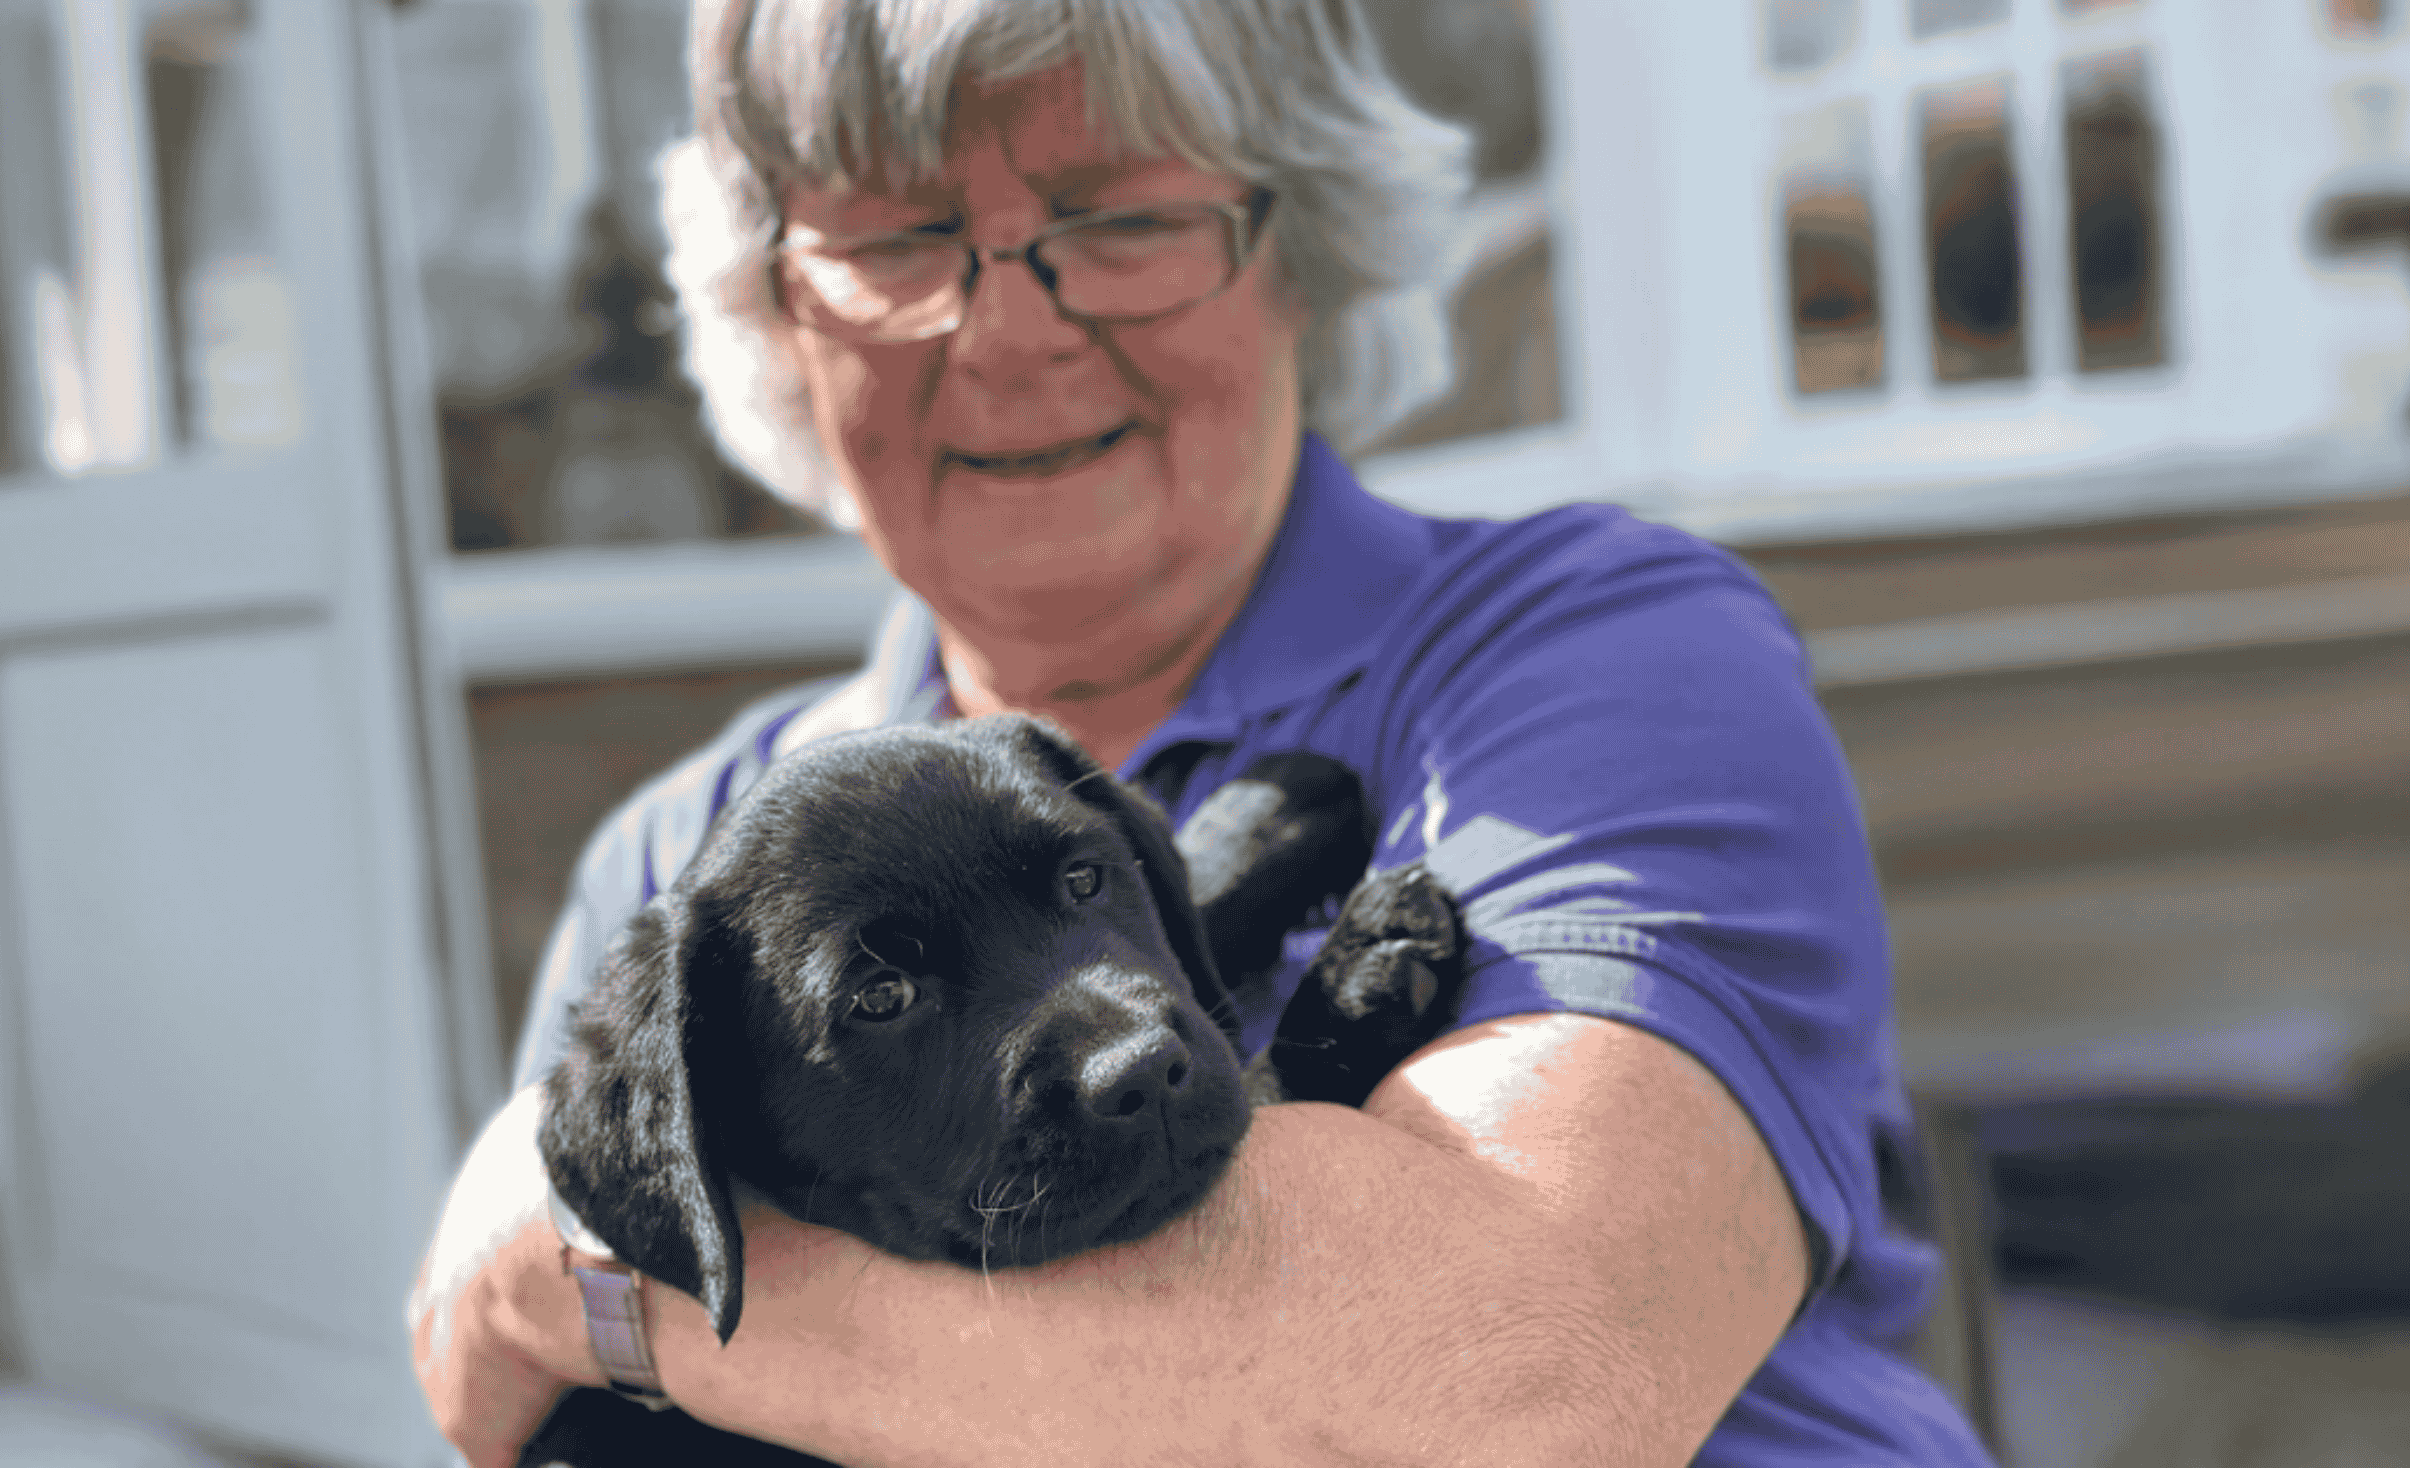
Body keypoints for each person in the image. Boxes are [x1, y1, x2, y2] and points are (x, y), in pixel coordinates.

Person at [408, 1, 1997, 1463]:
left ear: (1306, 244)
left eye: (1121, 219)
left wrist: (564, 1285)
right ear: (774, 314)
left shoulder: (1598, 653)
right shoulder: (682, 861)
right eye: (900, 239)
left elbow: (1518, 1381)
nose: (1008, 336)